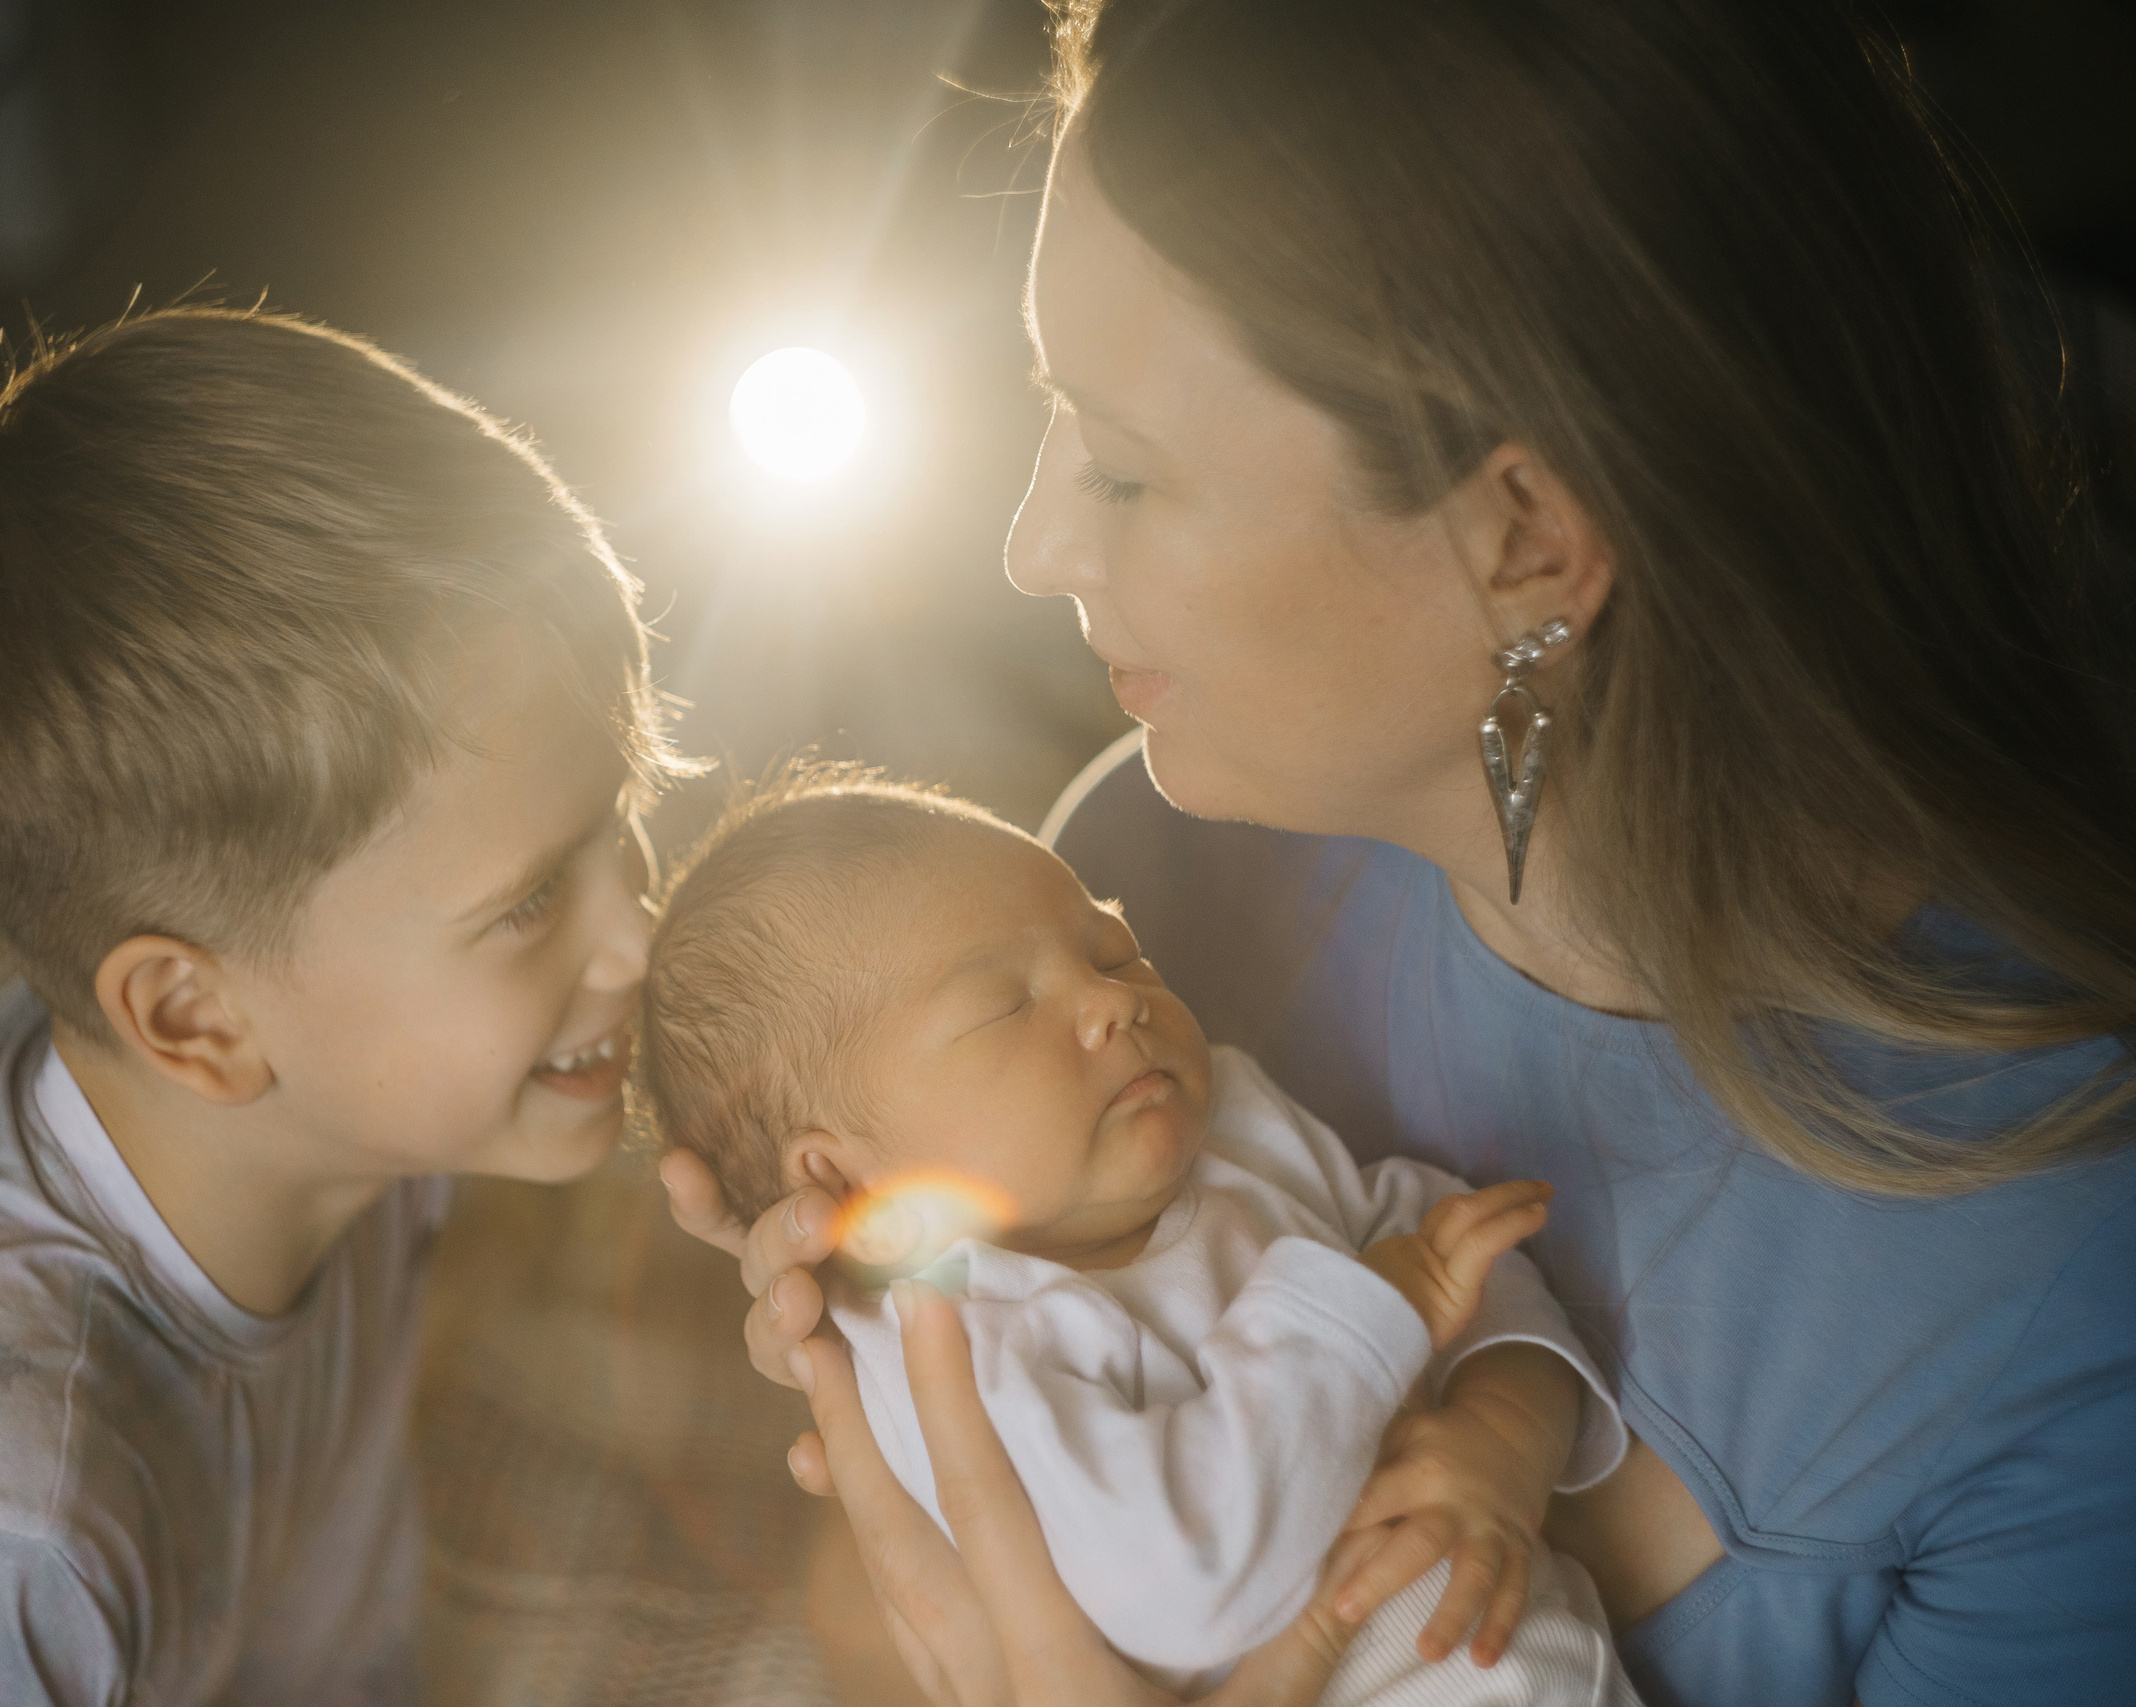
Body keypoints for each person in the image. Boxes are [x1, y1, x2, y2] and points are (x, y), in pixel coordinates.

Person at [661, 3, 2136, 1705]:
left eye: (1127, 473)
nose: (1031, 542)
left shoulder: (2064, 1285)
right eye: (1050, 417)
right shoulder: (1145, 877)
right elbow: (931, 1595)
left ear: (1525, 536)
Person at [0, 308, 675, 1702]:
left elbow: (330, 1643)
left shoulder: (347, 1120)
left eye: (625, 802)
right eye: (528, 901)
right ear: (194, 1022)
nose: (639, 934)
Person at [637, 774, 1639, 1704]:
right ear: (844, 1180)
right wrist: (1369, 1309)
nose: (1111, 1000)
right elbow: (1190, 1584)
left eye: (1112, 951)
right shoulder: (961, 1348)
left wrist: (1503, 1433)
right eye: (1002, 1008)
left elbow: (1460, 1252)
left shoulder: (1234, 1128)